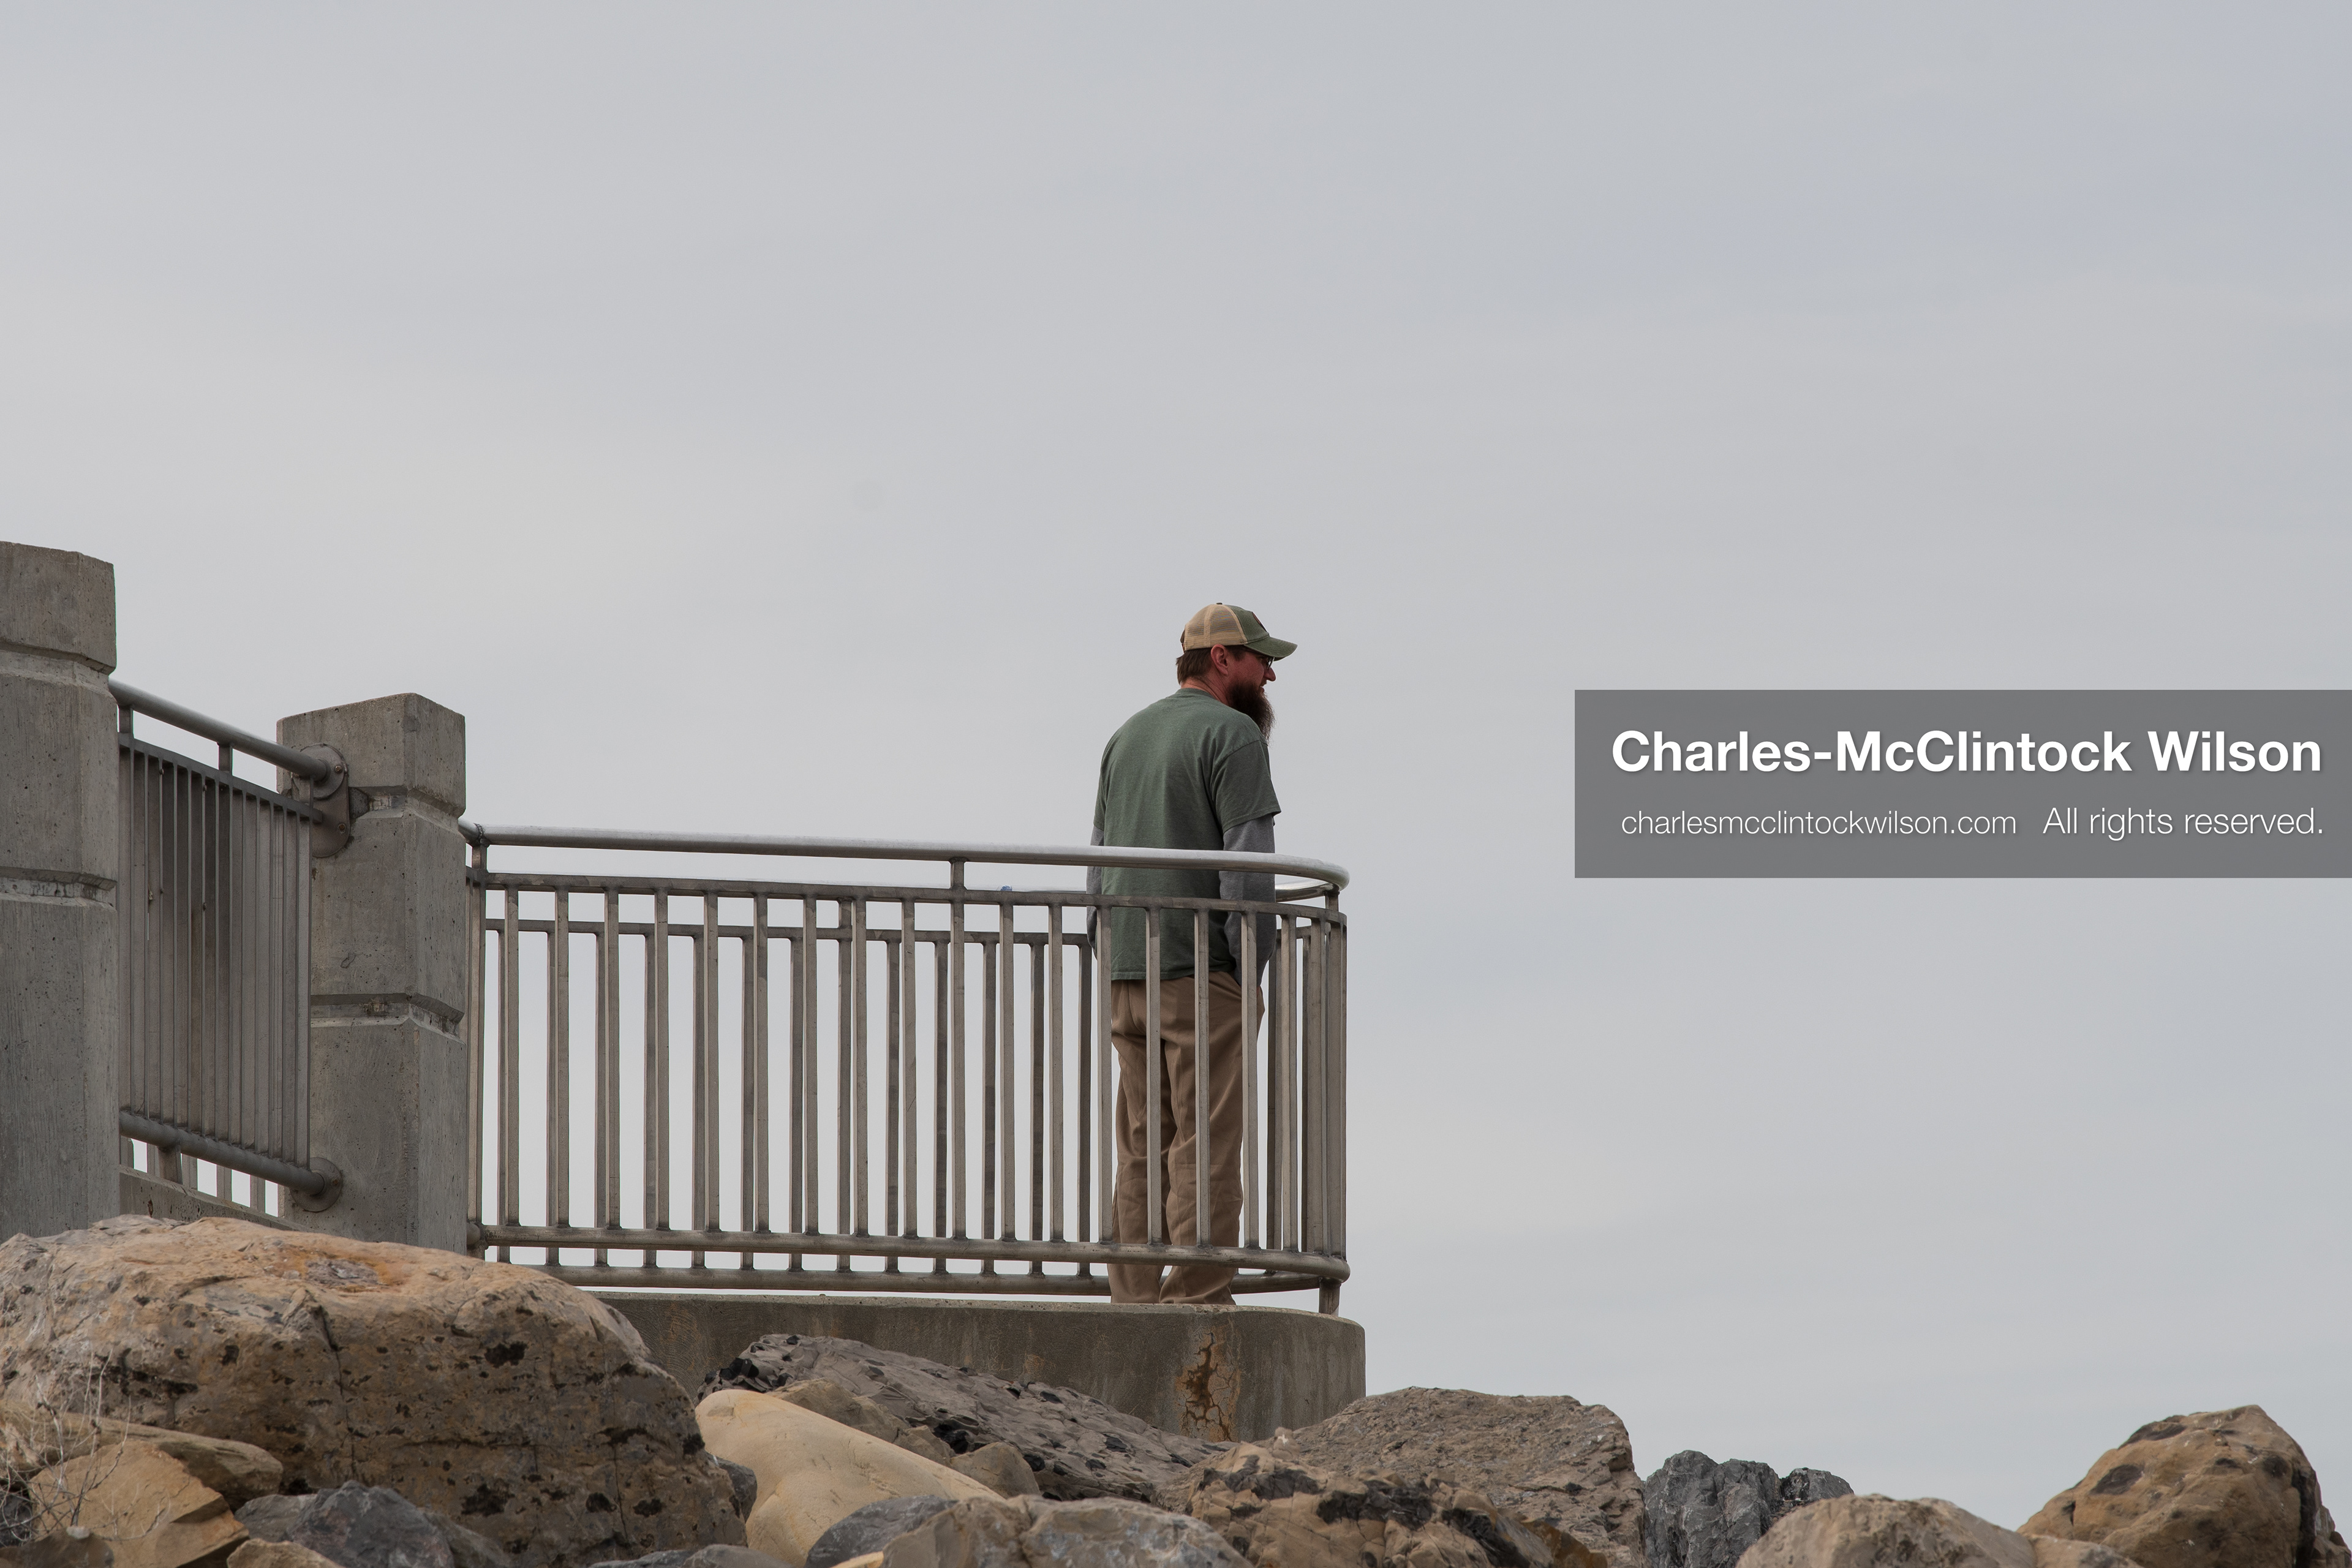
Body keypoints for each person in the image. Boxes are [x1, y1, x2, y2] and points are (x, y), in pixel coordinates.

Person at [1088, 603, 1294, 1305]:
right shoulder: (1234, 736)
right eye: (1261, 660)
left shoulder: (1127, 736)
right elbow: (1248, 872)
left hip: (1127, 970)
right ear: (1221, 659)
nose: (1270, 674)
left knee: (1144, 1141)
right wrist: (1246, 972)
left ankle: (1134, 1300)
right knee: (1207, 1138)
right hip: (1202, 972)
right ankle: (1197, 1297)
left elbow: (1098, 862)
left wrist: (1110, 953)